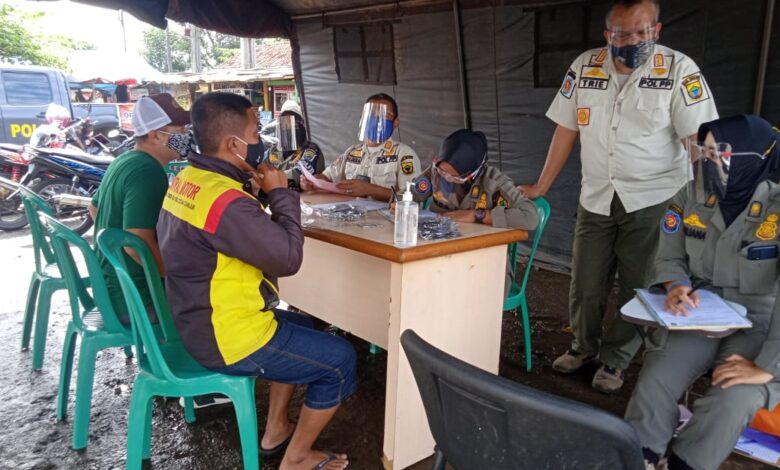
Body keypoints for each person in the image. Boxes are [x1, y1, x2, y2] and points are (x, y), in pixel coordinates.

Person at [519, 0, 719, 393]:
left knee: (638, 284)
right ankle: (582, 347)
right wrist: (541, 185)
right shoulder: (585, 66)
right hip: (596, 195)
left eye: (643, 32)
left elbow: (696, 139)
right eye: (623, 33)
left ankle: (616, 360)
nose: (634, 41)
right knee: (586, 282)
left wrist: (709, 197)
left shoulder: (679, 70)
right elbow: (565, 129)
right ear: (607, 35)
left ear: (657, 30)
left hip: (655, 198)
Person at [157, 92, 355, 470]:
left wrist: (252, 192)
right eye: (253, 132)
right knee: (339, 360)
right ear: (234, 144)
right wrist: (280, 194)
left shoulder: (190, 178)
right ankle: (296, 459)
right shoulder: (225, 202)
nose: (259, 141)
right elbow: (287, 258)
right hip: (225, 335)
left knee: (303, 324)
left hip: (194, 318)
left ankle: (277, 428)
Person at [624, 115, 780, 470]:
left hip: (761, 323)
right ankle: (642, 457)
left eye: (716, 153)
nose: (706, 161)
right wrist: (676, 286)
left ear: (748, 159)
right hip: (699, 309)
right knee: (658, 376)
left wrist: (769, 368)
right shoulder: (691, 194)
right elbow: (669, 254)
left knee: (734, 397)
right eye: (704, 151)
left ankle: (685, 463)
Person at [89, 93, 192, 324]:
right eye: (180, 131)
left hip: (112, 292)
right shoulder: (147, 172)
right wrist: (175, 281)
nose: (186, 135)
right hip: (138, 301)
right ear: (156, 135)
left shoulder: (124, 160)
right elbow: (137, 245)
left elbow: (93, 208)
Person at [408, 129, 540, 292]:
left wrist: (478, 215)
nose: (447, 178)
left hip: (484, 263)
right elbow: (409, 194)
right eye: (443, 172)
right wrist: (401, 202)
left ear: (473, 173)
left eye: (455, 177)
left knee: (468, 294)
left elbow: (530, 217)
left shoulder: (493, 181)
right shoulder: (435, 171)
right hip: (438, 254)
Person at [301, 93, 421, 200]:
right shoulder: (352, 152)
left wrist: (370, 189)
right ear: (362, 119)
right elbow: (327, 177)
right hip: (351, 215)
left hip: (386, 219)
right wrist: (312, 181)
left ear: (396, 122)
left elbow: (411, 196)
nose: (376, 120)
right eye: (371, 114)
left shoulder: (404, 154)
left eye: (384, 115)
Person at [263, 108, 325, 190]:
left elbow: (297, 174)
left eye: (290, 127)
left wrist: (270, 179)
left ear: (300, 128)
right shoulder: (273, 151)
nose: (285, 131)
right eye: (282, 127)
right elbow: (260, 170)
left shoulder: (311, 150)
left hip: (304, 199)